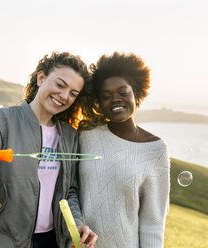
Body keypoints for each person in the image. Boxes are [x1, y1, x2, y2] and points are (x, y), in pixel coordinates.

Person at [0, 52, 97, 248]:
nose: (64, 96)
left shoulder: (70, 136)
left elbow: (69, 191)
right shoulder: (0, 121)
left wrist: (76, 225)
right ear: (41, 78)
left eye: (73, 93)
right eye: (60, 85)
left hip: (51, 243)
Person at [76, 52, 170, 247]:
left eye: (123, 92)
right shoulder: (86, 135)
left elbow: (152, 223)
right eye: (106, 96)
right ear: (99, 103)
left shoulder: (156, 149)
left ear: (136, 93)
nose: (116, 99)